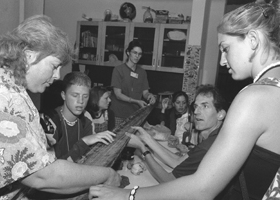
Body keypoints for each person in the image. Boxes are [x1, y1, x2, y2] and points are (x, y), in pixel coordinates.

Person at [88, 1, 280, 199]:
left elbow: (202, 188)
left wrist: (126, 195)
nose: (222, 60)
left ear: (253, 40)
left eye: (226, 48)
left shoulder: (254, 97)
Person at [0, 15, 120, 199]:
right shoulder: (4, 95)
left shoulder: (4, 80)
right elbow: (42, 176)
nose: (58, 75)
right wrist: (107, 174)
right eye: (54, 65)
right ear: (29, 56)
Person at [128, 85, 227, 183]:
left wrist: (143, 148)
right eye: (196, 106)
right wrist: (147, 138)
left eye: (205, 106)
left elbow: (168, 180)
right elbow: (178, 161)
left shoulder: (208, 147)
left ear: (220, 114)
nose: (196, 111)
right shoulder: (214, 137)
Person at [40, 72, 115, 161]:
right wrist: (84, 142)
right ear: (64, 95)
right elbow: (53, 168)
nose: (80, 101)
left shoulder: (86, 117)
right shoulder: (49, 122)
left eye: (85, 96)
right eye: (75, 95)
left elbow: (89, 157)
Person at [109, 39, 156, 127]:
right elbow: (118, 94)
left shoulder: (142, 72)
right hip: (118, 114)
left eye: (139, 54)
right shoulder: (118, 70)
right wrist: (136, 101)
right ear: (128, 52)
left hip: (134, 115)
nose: (137, 56)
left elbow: (145, 92)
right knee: (118, 139)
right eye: (135, 53)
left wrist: (150, 96)